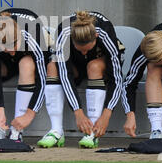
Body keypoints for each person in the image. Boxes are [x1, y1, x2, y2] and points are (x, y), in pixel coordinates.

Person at [37, 11, 124, 148]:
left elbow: (117, 78)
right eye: (80, 49)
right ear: (72, 38)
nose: (85, 52)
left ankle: (92, 132)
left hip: (99, 62)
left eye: (87, 49)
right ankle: (56, 131)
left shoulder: (105, 31)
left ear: (96, 36)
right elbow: (66, 76)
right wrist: (78, 112)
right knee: (52, 66)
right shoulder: (64, 32)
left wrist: (106, 114)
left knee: (93, 66)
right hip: (75, 63)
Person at [0, 8, 51, 141]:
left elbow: (43, 79)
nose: (11, 51)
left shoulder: (34, 34)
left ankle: (16, 131)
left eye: (14, 45)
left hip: (26, 61)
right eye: (5, 47)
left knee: (26, 64)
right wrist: (0, 113)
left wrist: (29, 115)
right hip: (4, 64)